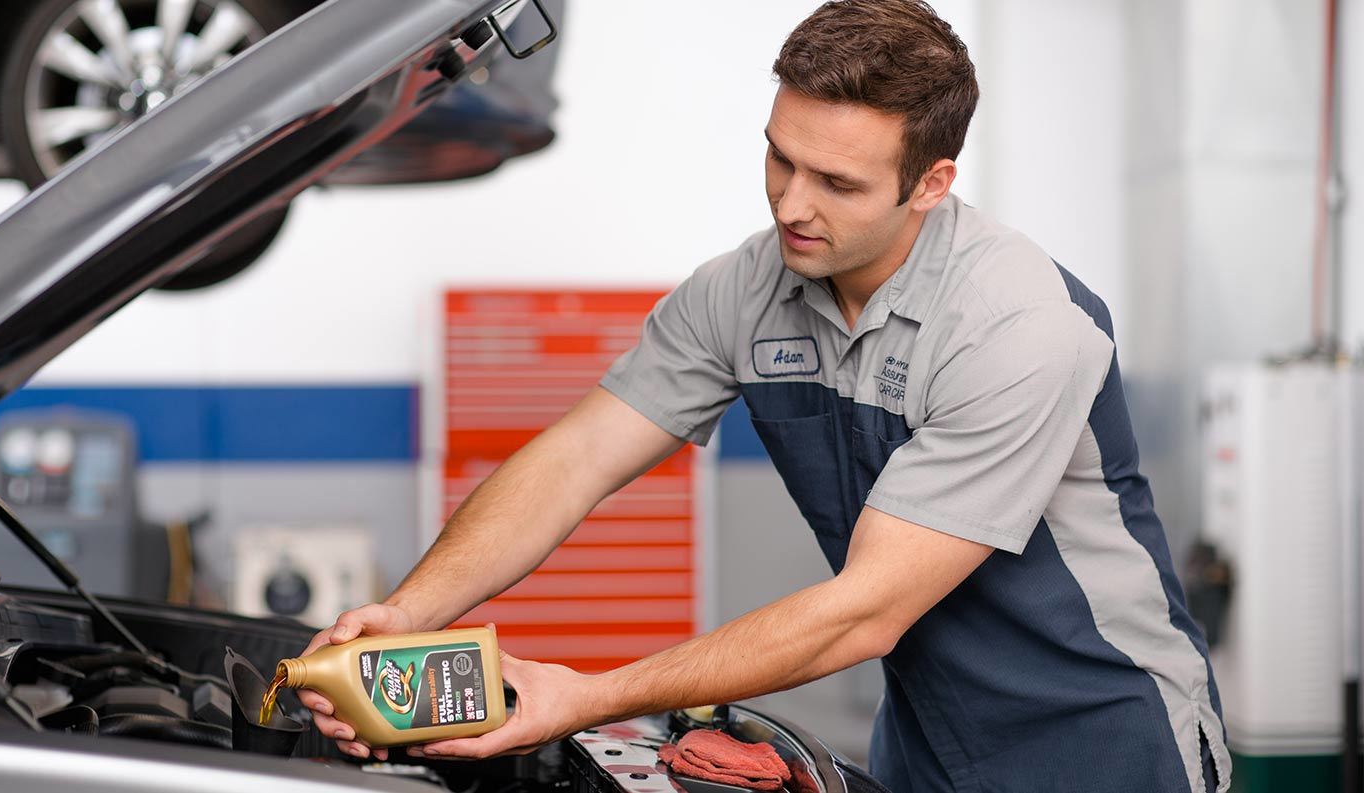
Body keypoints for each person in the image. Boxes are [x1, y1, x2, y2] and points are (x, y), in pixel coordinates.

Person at [299, 2, 1230, 790]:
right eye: (781, 158)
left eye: (837, 182)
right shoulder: (746, 290)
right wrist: (415, 608)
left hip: (1105, 738)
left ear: (931, 186)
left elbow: (866, 608)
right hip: (928, 739)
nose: (791, 204)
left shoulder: (1020, 323)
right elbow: (576, 459)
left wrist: (584, 696)